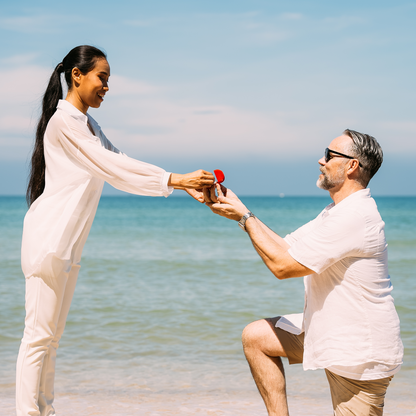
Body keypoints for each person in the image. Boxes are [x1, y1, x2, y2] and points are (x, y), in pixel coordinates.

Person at [17, 45, 215, 416]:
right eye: (101, 78)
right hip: (48, 241)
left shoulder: (90, 126)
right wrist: (174, 179)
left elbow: (123, 162)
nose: (107, 87)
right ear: (77, 76)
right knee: (38, 338)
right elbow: (110, 167)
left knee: (52, 340)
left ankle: (45, 410)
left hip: (69, 247)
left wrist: (183, 185)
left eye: (109, 80)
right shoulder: (63, 124)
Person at [206, 130, 403, 416]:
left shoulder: (355, 216)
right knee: (257, 338)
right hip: (328, 329)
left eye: (329, 154)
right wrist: (241, 211)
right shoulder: (334, 212)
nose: (320, 160)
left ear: (351, 166)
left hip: (360, 354)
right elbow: (286, 248)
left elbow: (283, 267)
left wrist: (245, 219)